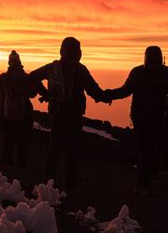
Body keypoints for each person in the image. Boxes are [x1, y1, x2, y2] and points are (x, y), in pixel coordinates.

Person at [29, 37, 110, 190]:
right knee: (71, 150)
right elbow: (94, 90)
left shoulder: (53, 68)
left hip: (56, 113)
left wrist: (46, 94)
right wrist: (107, 97)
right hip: (73, 115)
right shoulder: (80, 70)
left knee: (55, 146)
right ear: (77, 52)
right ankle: (69, 186)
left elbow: (32, 76)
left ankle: (47, 183)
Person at [105, 46, 168, 197]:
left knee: (149, 150)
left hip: (158, 118)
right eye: (151, 62)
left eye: (155, 62)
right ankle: (145, 185)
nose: (153, 66)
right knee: (146, 150)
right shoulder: (139, 73)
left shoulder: (167, 74)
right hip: (140, 117)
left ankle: (143, 183)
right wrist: (109, 95)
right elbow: (125, 90)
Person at [0, 50, 35, 167]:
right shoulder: (26, 77)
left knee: (8, 144)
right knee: (22, 145)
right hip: (25, 116)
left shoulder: (3, 78)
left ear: (9, 63)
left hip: (7, 115)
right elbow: (33, 93)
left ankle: (6, 171)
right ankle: (21, 171)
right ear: (20, 62)